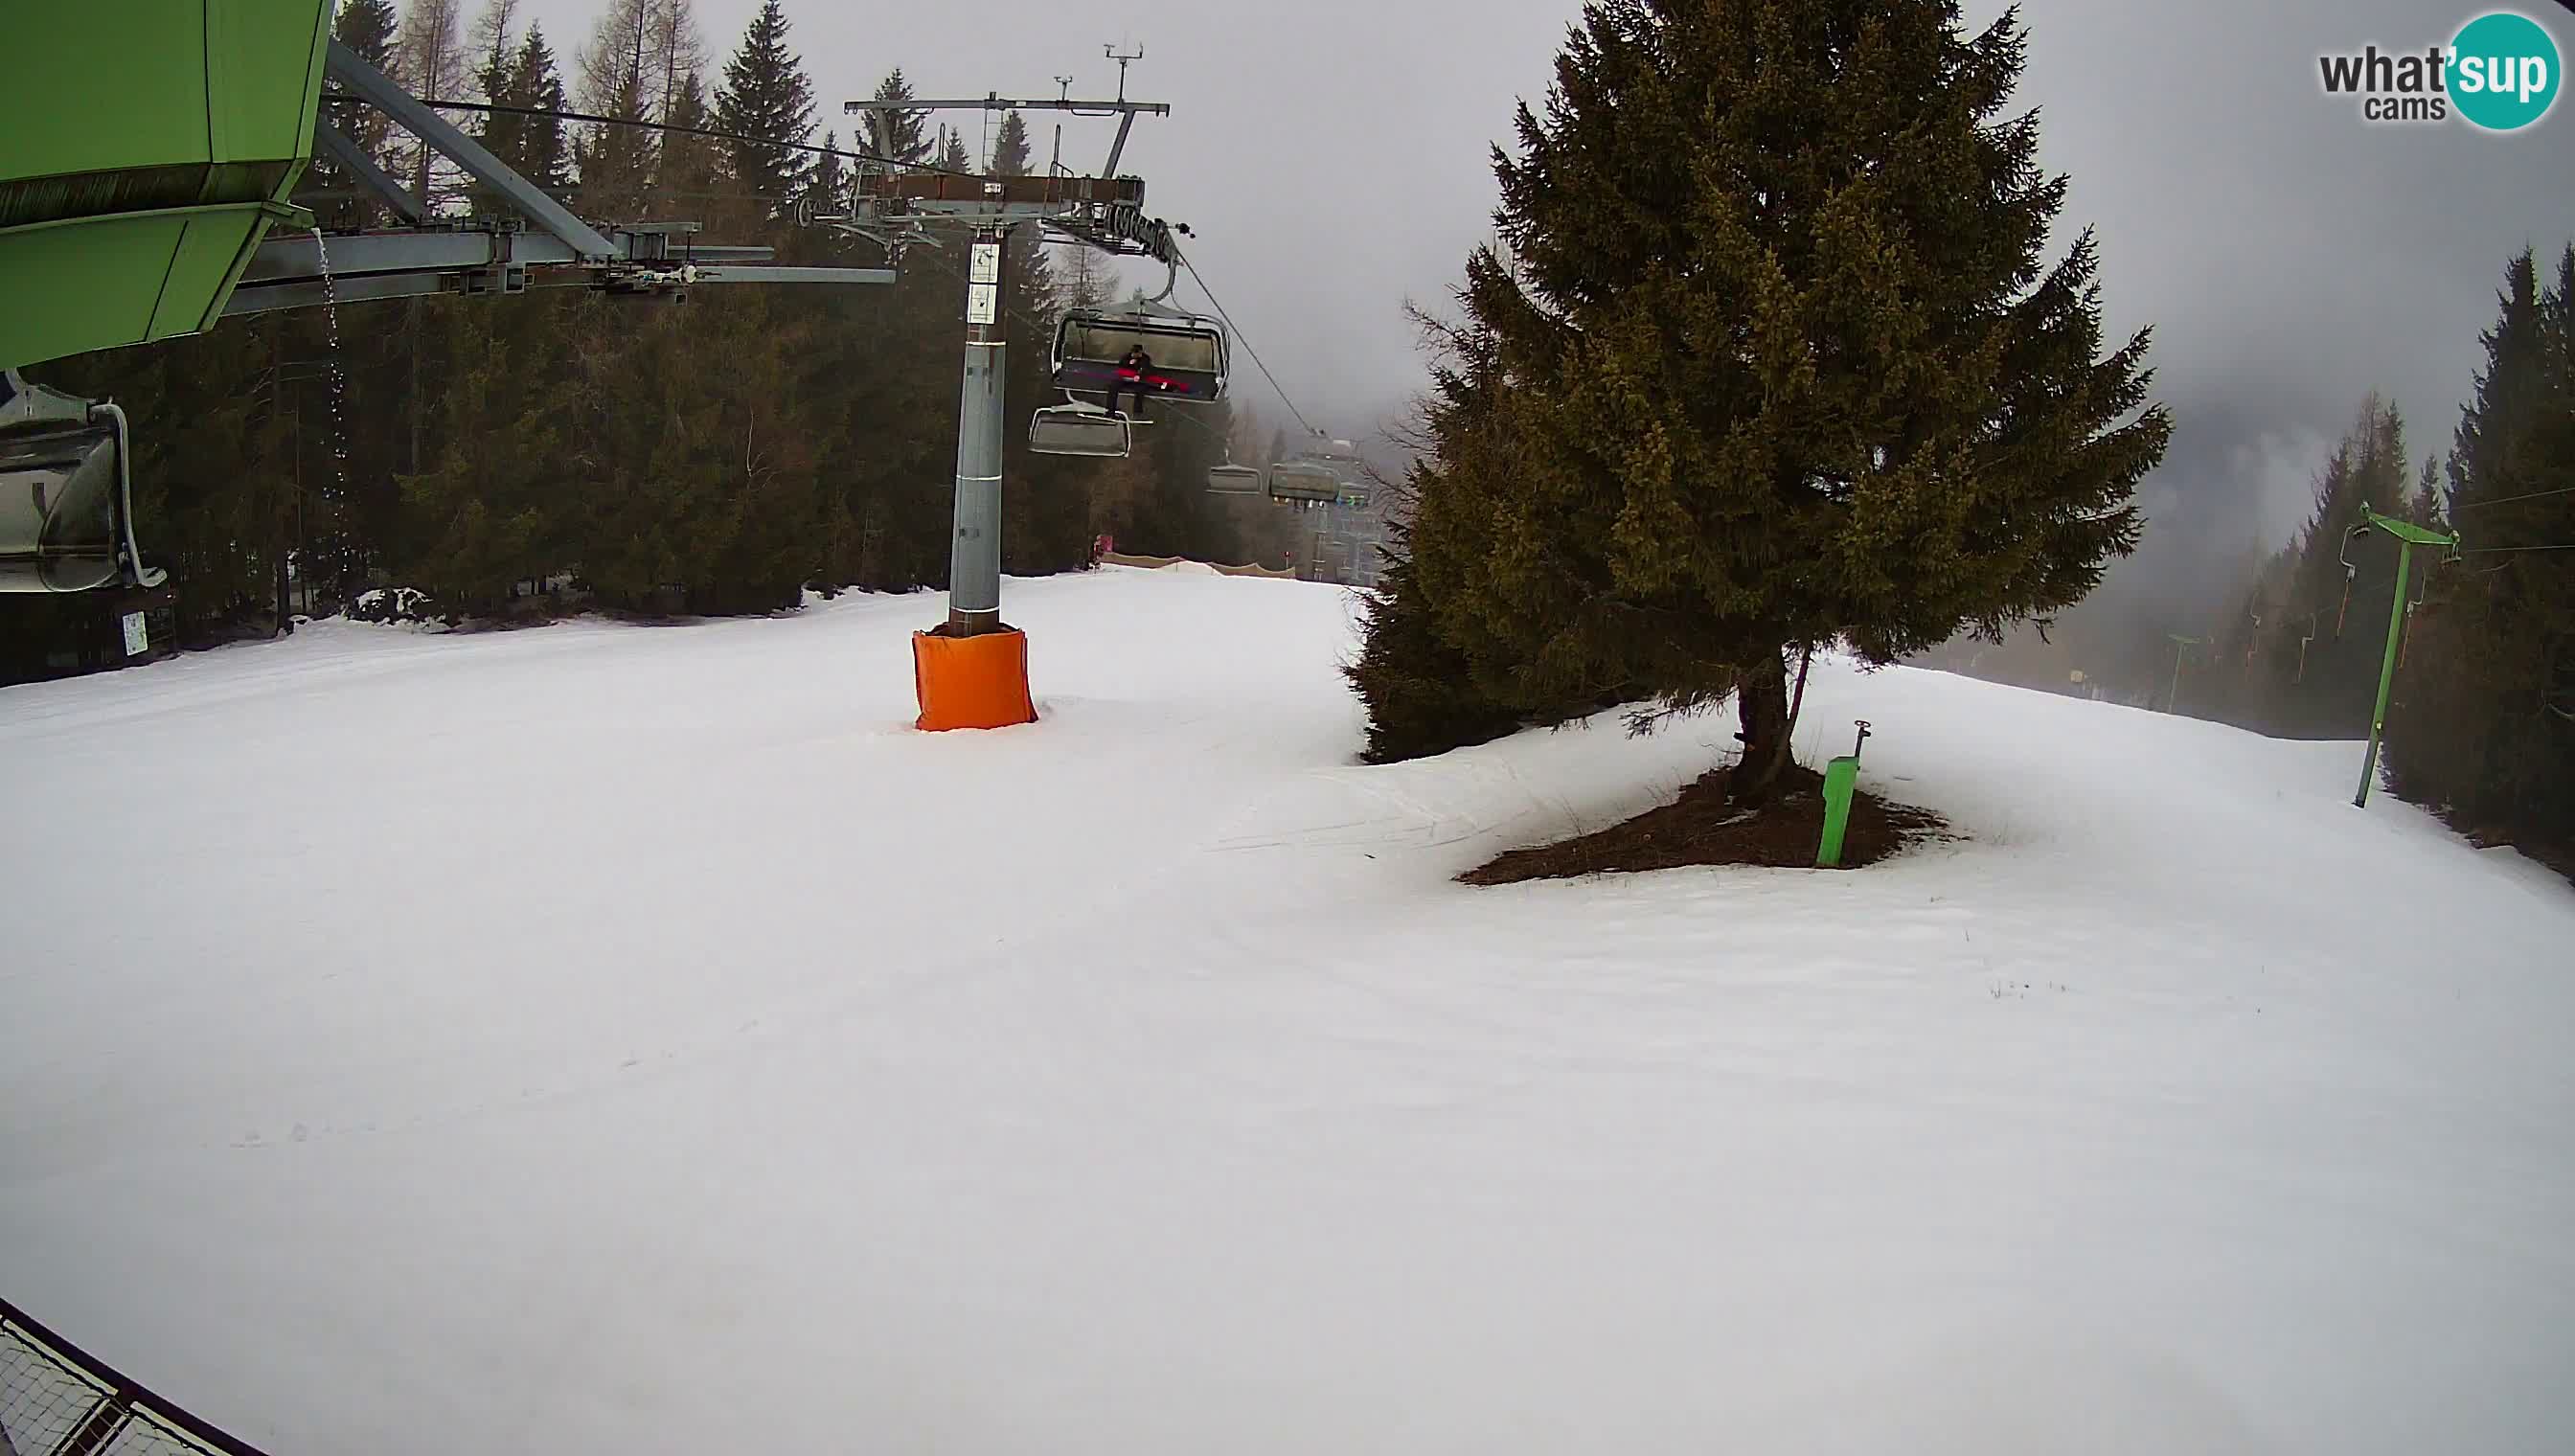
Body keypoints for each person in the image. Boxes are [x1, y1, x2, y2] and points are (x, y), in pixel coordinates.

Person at [1105, 343, 1152, 419]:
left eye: (1139, 353)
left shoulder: (1145, 358)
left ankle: (1137, 412)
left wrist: (1139, 375)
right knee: (1113, 386)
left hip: (1137, 380)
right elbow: (1120, 367)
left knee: (1142, 388)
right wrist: (1128, 363)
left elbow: (1146, 369)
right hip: (1125, 379)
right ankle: (1110, 410)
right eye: (1135, 353)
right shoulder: (1126, 357)